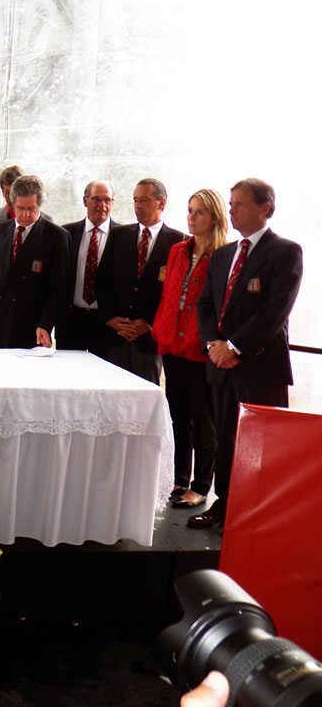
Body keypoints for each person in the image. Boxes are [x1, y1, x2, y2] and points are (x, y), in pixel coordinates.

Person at [188, 178, 303, 530]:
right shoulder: (224, 254)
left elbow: (274, 311)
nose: (232, 210)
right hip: (222, 366)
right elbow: (205, 305)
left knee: (260, 446)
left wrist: (234, 347)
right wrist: (214, 345)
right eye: (231, 203)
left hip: (260, 367)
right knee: (225, 439)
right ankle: (223, 507)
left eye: (239, 203)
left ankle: (257, 514)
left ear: (265, 207)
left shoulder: (285, 251)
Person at [152, 189, 228, 509]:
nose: (191, 217)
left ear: (214, 217)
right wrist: (161, 331)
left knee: (204, 421)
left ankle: (201, 486)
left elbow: (220, 306)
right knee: (177, 416)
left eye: (199, 212)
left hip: (200, 349)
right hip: (172, 343)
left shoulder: (223, 255)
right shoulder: (178, 250)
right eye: (190, 210)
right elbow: (169, 295)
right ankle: (179, 478)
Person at [97, 178, 184, 383]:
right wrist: (111, 319)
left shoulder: (179, 242)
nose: (138, 205)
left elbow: (175, 294)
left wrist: (150, 324)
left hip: (149, 343)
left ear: (162, 203)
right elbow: (102, 281)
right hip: (115, 339)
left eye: (144, 200)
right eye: (135, 200)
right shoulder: (118, 235)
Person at [0, 174, 69, 348]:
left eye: (31, 208)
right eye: (20, 208)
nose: (25, 214)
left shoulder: (57, 236)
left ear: (40, 205)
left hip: (31, 327)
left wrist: (46, 324)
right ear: (12, 204)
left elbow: (58, 289)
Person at [57, 180, 116, 355]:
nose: (102, 206)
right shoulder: (66, 234)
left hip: (106, 324)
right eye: (96, 199)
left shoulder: (123, 236)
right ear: (85, 201)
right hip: (70, 321)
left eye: (107, 200)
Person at [0, 165, 54, 245]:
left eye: (16, 192)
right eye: (8, 192)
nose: (12, 197)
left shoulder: (46, 220)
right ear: (2, 192)